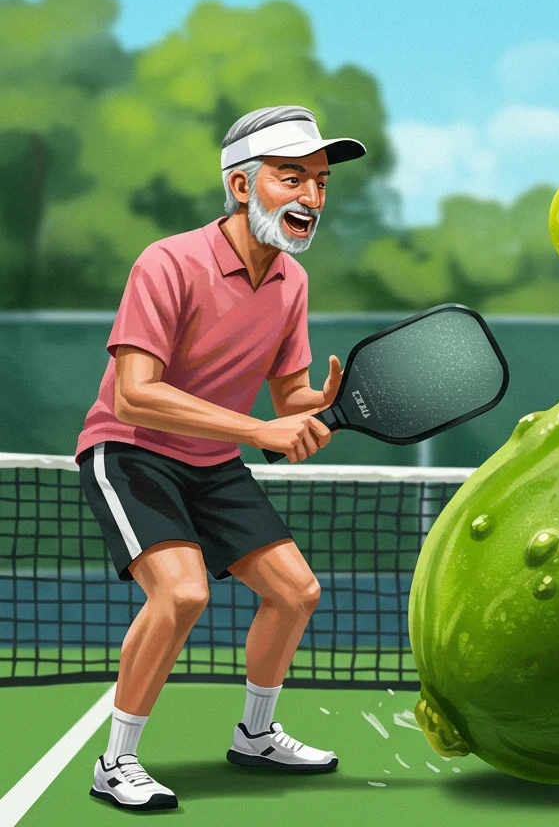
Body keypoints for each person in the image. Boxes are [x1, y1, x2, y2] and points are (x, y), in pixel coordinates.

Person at [76, 105, 366, 811]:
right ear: (241, 186)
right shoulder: (168, 262)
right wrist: (261, 432)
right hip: (132, 450)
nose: (312, 198)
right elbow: (137, 394)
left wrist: (309, 405)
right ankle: (115, 763)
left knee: (296, 592)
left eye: (321, 182)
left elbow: (287, 392)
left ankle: (255, 736)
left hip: (212, 461)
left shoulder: (291, 283)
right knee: (182, 593)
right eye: (292, 177)